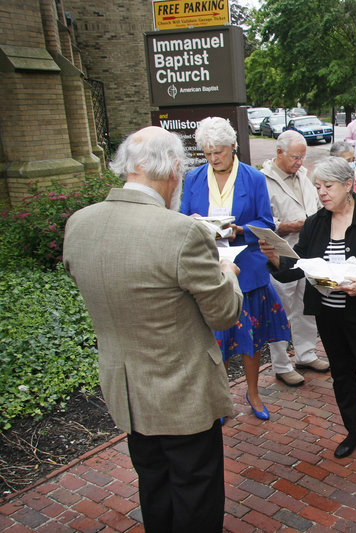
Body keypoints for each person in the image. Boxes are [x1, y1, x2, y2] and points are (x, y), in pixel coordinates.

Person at [63, 126, 243, 532]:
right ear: (175, 170)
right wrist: (227, 273)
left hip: (126, 390)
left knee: (154, 486)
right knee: (196, 493)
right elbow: (224, 314)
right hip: (183, 396)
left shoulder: (79, 223)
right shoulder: (181, 232)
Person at [260, 156, 356, 475]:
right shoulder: (316, 223)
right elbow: (297, 269)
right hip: (328, 315)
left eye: (328, 186)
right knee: (341, 376)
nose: (321, 192)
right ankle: (354, 432)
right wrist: (274, 259)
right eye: (318, 186)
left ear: (348, 186)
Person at [181, 117, 290, 421]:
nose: (213, 158)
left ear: (233, 146)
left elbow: (267, 223)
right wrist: (194, 223)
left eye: (219, 151)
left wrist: (239, 229)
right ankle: (221, 397)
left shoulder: (253, 178)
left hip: (246, 268)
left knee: (250, 337)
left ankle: (253, 393)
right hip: (209, 269)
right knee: (215, 339)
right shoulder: (193, 178)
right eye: (207, 152)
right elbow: (180, 218)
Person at [262, 130, 331, 387]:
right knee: (282, 310)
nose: (300, 162)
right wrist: (288, 226)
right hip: (282, 252)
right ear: (279, 152)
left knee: (307, 305)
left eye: (303, 157)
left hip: (309, 250)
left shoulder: (303, 175)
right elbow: (262, 220)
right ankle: (281, 364)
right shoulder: (263, 180)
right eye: (295, 157)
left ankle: (305, 354)